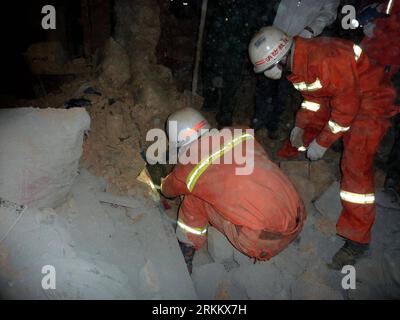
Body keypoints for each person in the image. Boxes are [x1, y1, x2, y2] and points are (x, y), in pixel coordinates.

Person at [248, 26, 398, 269]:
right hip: (346, 94)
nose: (266, 75)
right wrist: (299, 126)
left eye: (266, 70)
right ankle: (297, 165)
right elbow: (314, 100)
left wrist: (322, 142)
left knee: (355, 164)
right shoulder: (298, 62)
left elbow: (347, 109)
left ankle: (357, 239)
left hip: (371, 98)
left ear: (278, 59)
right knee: (310, 128)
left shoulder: (325, 60)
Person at [160, 107, 306, 273]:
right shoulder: (240, 133)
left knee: (194, 198)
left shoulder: (190, 169)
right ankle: (287, 230)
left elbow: (168, 190)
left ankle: (186, 248)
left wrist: (165, 179)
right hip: (298, 217)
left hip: (262, 242)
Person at [253, 0, 340, 138]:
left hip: (299, 43)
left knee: (283, 90)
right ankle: (258, 120)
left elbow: (329, 13)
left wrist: (311, 29)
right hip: (273, 38)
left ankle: (272, 124)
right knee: (264, 84)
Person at [201, 0, 279, 127]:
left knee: (231, 79)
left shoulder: (252, 7)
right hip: (219, 36)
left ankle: (224, 115)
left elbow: (259, 19)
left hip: (239, 42)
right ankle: (211, 101)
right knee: (212, 70)